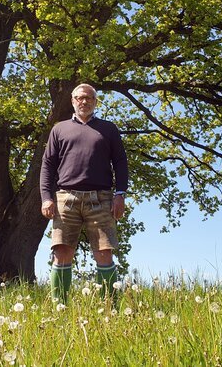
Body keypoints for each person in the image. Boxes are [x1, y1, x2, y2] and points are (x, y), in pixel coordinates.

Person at [40, 83, 128, 303]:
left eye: (89, 98)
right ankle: (59, 309)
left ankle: (110, 309)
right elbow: (48, 165)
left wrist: (120, 194)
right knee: (61, 253)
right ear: (72, 100)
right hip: (65, 198)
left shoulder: (108, 129)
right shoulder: (59, 129)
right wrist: (46, 197)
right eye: (80, 98)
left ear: (95, 102)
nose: (84, 101)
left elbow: (120, 162)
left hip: (101, 199)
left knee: (104, 252)